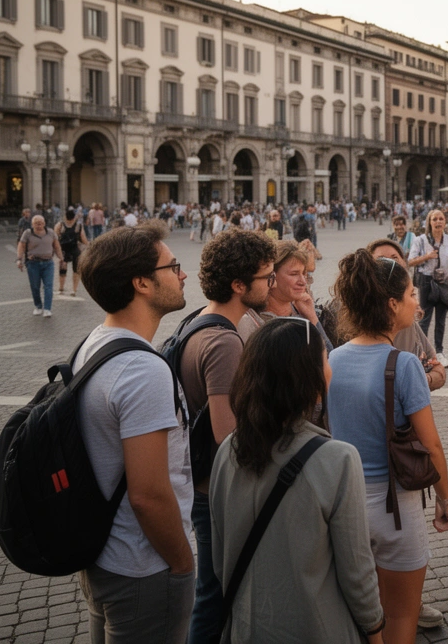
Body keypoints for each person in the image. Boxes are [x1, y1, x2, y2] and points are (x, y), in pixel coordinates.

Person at [210, 318, 386, 643]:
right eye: (325, 359)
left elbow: (220, 559)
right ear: (310, 376)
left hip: (246, 629)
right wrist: (375, 631)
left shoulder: (228, 451)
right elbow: (357, 572)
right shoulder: (338, 459)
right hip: (318, 630)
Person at [75, 222, 194, 643]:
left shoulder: (94, 342)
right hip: (144, 566)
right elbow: (148, 494)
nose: (183, 274)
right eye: (173, 266)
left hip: (104, 554)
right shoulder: (143, 369)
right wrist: (182, 562)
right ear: (141, 283)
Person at [327, 250, 448, 644]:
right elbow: (431, 444)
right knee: (401, 614)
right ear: (391, 305)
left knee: (362, 615)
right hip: (395, 506)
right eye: (411, 294)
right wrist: (445, 499)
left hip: (344, 503)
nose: (417, 302)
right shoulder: (403, 364)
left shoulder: (333, 358)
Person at [179, 228, 275, 644]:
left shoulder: (197, 320)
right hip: (214, 493)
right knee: (215, 595)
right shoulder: (223, 342)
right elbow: (227, 434)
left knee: (214, 590)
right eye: (266, 277)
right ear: (239, 285)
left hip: (202, 485)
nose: (271, 284)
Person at [369, 238, 447, 392]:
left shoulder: (407, 320)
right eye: (381, 260)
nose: (390, 264)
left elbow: (438, 370)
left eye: (395, 258)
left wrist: (423, 379)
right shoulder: (361, 320)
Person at [408, 209, 448, 366]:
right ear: (429, 223)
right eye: (435, 219)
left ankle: (439, 352)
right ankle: (422, 352)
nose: (438, 222)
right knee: (424, 319)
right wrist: (427, 256)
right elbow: (411, 261)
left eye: (441, 219)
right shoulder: (420, 240)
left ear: (445, 222)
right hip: (426, 282)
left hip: (443, 282)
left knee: (441, 320)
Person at [16, 215, 62, 317]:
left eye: (41, 223)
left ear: (44, 223)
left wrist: (61, 258)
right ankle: (38, 306)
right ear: (32, 224)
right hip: (33, 263)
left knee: (48, 286)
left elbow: (56, 246)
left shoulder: (51, 232)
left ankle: (47, 309)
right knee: (35, 286)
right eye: (36, 223)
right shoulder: (27, 233)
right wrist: (19, 259)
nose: (39, 225)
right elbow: (21, 246)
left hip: (48, 263)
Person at [56, 208, 88, 298]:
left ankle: (61, 289)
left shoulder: (60, 225)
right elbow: (83, 238)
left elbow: (55, 238)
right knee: (76, 270)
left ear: (65, 217)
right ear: (74, 217)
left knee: (62, 270)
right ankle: (74, 290)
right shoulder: (78, 225)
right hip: (75, 249)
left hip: (63, 250)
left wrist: (56, 249)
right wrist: (88, 245)